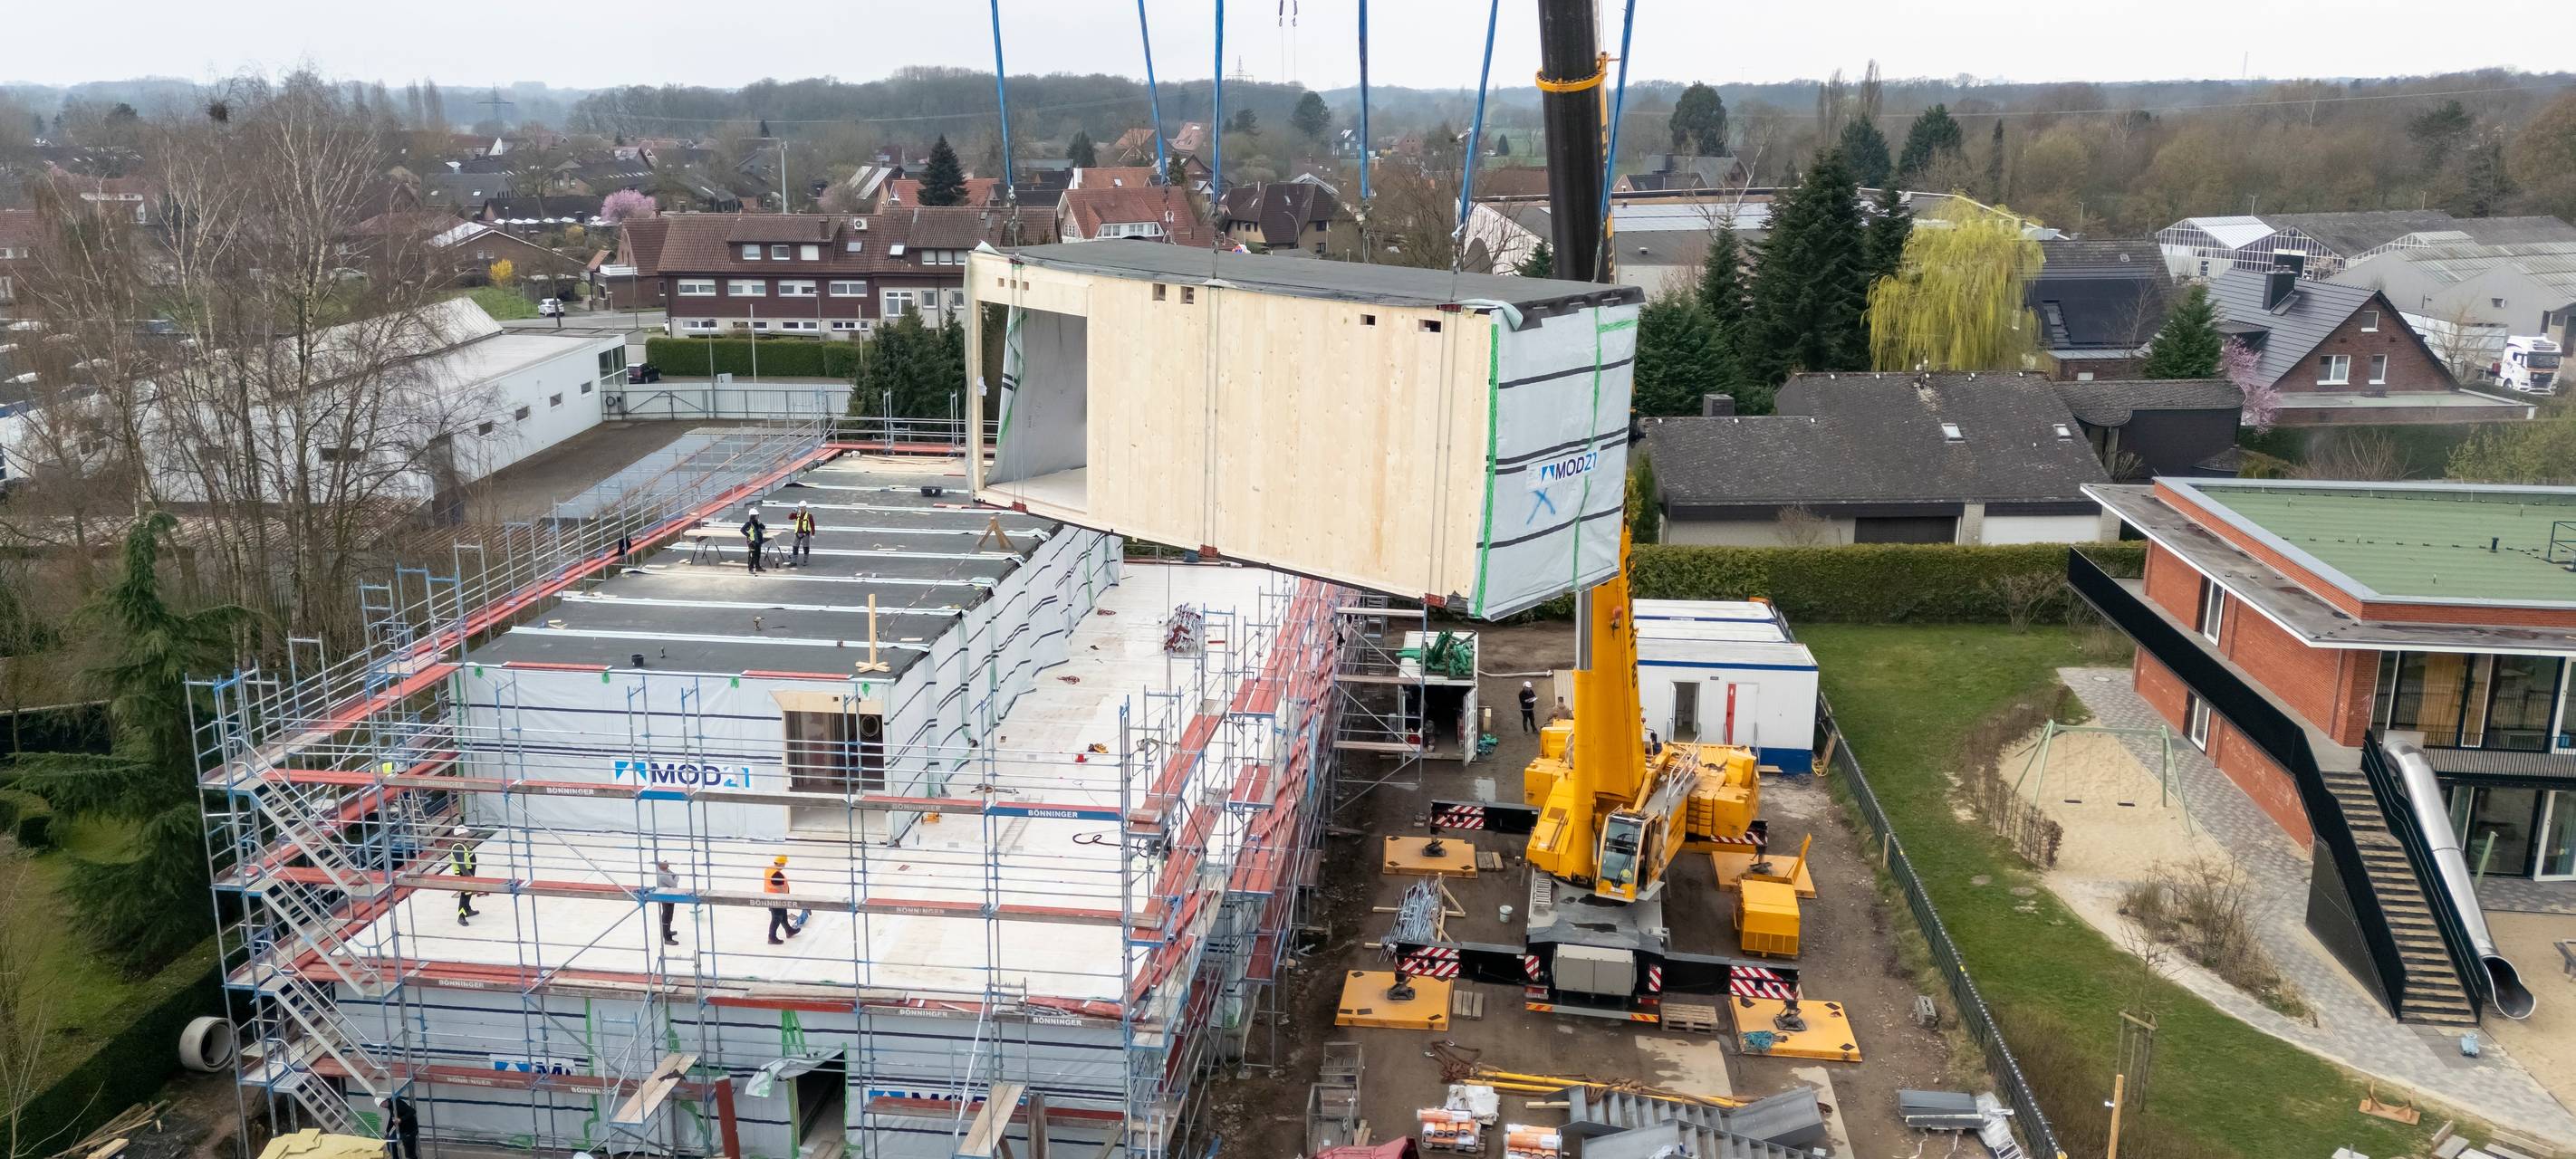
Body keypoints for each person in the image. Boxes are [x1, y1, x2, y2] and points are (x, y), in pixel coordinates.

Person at [450, 827, 480, 926]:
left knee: (469, 892)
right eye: (465, 834)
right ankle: (461, 916)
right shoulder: (458, 847)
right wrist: (469, 876)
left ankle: (467, 909)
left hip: (467, 872)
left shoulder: (461, 845)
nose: (467, 835)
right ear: (461, 835)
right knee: (465, 894)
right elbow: (461, 865)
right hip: (464, 874)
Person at [764, 855, 796, 944]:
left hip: (770, 896)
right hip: (777, 899)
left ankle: (789, 931)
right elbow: (780, 889)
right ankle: (772, 937)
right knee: (777, 918)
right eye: (784, 863)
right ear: (781, 863)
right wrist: (786, 898)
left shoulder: (769, 869)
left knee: (783, 915)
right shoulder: (777, 874)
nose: (784, 865)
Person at [380, 1094, 418, 1159]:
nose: (382, 1107)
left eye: (381, 1105)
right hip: (401, 1129)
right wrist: (387, 1131)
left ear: (384, 1101)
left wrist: (401, 1119)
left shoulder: (397, 1104)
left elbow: (412, 1111)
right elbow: (392, 1118)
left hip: (410, 1130)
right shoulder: (391, 1106)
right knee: (390, 1143)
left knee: (409, 1154)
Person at [655, 859, 680, 946]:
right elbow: (674, 884)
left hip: (669, 895)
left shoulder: (666, 871)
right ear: (660, 865)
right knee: (667, 915)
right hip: (666, 897)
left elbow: (676, 876)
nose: (668, 865)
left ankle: (668, 931)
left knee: (669, 915)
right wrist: (673, 878)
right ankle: (667, 938)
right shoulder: (663, 875)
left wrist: (674, 878)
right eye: (666, 863)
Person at [740, 507, 769, 573]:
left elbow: (763, 527)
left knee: (758, 554)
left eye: (757, 516)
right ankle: (750, 569)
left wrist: (760, 523)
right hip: (751, 542)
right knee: (752, 556)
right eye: (756, 516)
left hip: (758, 541)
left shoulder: (757, 523)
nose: (757, 517)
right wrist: (748, 535)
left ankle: (758, 567)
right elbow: (742, 530)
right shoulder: (748, 523)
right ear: (753, 516)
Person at [790, 502, 818, 566]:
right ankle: (794, 562)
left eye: (802, 508)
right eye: (800, 507)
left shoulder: (809, 516)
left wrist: (813, 534)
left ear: (805, 508)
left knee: (806, 547)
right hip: (797, 534)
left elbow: (812, 525)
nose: (801, 509)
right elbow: (790, 518)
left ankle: (805, 561)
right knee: (795, 547)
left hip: (805, 534)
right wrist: (793, 512)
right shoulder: (797, 514)